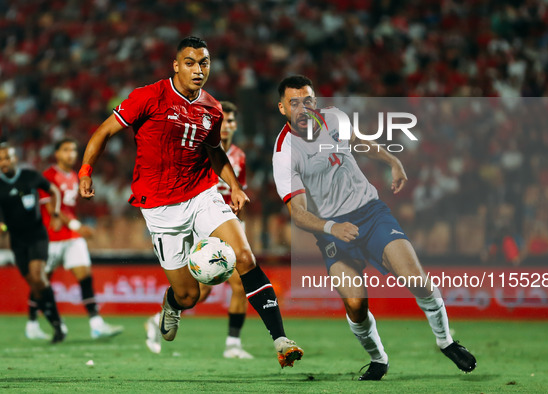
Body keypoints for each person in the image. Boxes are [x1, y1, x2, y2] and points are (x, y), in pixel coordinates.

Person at [79, 37, 303, 367]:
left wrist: (235, 187)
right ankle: (172, 304)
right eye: (190, 63)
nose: (198, 70)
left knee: (244, 257)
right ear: (176, 65)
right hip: (158, 207)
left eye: (204, 63)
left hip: (202, 194)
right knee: (189, 295)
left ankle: (281, 340)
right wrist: (86, 171)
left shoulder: (212, 108)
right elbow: (103, 132)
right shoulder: (148, 97)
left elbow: (214, 152)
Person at [272, 75, 476, 380]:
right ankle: (378, 359)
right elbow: (298, 214)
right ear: (282, 108)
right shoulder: (284, 153)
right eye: (295, 103)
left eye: (308, 100)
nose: (303, 108)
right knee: (355, 303)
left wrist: (392, 160)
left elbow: (359, 142)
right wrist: (332, 227)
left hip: (370, 214)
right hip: (333, 233)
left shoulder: (334, 119)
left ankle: (446, 341)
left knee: (416, 279)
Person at [144, 101, 253, 358]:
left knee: (227, 286)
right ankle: (230, 343)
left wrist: (242, 226)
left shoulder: (238, 157)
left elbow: (238, 192)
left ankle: (232, 344)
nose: (228, 126)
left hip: (224, 223)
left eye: (232, 121)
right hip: (198, 221)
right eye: (224, 120)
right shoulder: (197, 149)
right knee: (198, 292)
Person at [25, 138, 124, 340]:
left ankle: (96, 324)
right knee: (42, 282)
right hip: (50, 238)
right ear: (57, 154)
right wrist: (77, 225)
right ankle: (32, 324)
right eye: (66, 150)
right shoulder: (48, 176)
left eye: (73, 150)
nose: (71, 154)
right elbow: (52, 208)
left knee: (85, 277)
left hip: (71, 236)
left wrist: (74, 226)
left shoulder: (72, 176)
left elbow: (67, 210)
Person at [0, 143, 66, 343]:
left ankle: (57, 326)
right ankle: (56, 323)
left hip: (37, 236)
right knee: (35, 285)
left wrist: (55, 213)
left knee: (38, 276)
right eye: (0, 159)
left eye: (6, 158)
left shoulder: (30, 176)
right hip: (17, 241)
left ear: (15, 158)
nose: (3, 162)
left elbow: (54, 190)